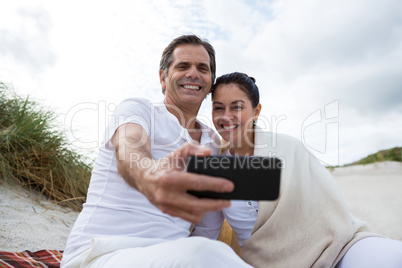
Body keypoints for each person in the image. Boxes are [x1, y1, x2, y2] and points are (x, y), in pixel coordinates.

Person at [61, 36, 253, 267]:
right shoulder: (139, 110)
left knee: (206, 251)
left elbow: (207, 227)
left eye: (202, 68)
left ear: (210, 83)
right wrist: (148, 173)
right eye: (182, 66)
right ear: (163, 78)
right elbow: (129, 144)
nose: (193, 73)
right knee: (204, 253)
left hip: (172, 258)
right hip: (98, 255)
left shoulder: (214, 146)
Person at [192, 72, 402, 267]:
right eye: (218, 108)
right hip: (262, 261)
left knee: (393, 258)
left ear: (256, 111)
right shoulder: (217, 163)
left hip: (334, 247)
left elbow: (330, 210)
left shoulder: (289, 149)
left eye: (237, 107)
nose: (226, 116)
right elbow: (208, 228)